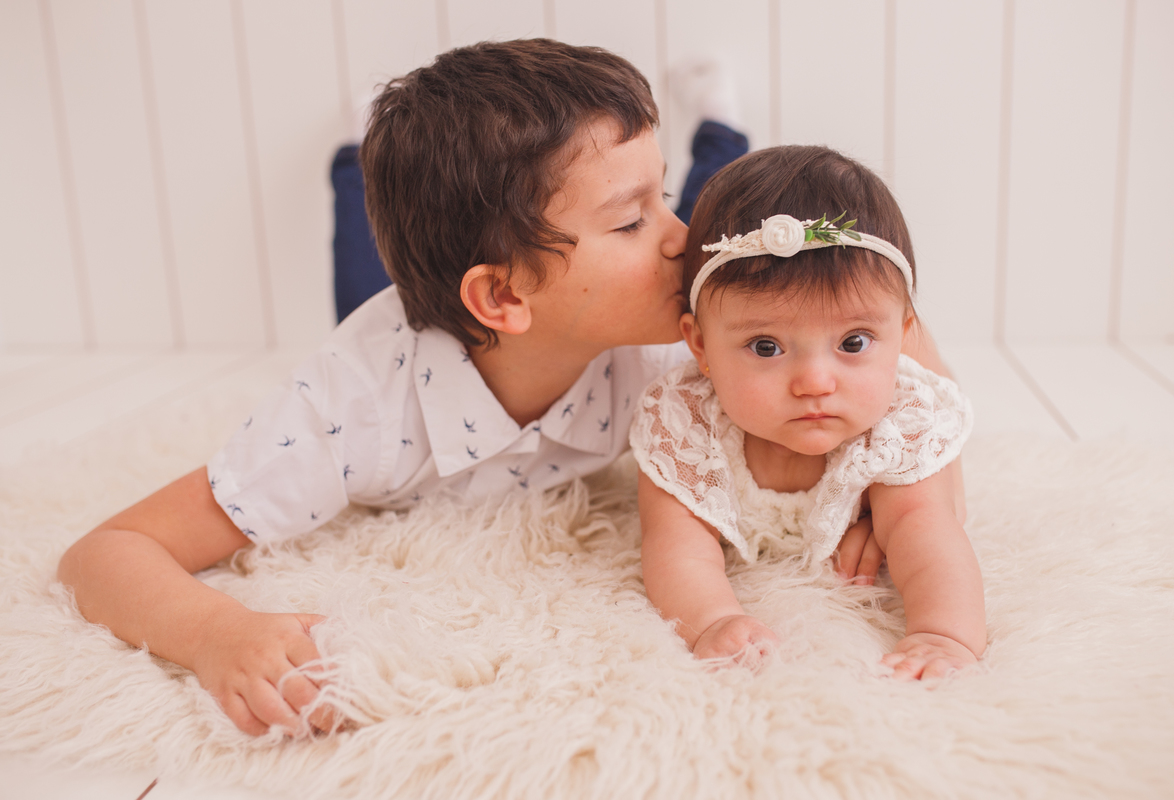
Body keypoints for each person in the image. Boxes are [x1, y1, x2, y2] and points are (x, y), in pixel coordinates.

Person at [55, 41, 958, 738]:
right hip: (411, 336)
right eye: (634, 220)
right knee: (355, 260)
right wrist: (216, 635)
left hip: (483, 302)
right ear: (503, 295)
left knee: (742, 220)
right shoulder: (346, 415)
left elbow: (894, 331)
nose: (682, 241)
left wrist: (887, 483)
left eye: (664, 199)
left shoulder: (673, 328)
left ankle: (717, 121)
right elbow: (106, 552)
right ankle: (351, 155)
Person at [632, 145, 985, 679]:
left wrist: (944, 633)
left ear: (903, 333)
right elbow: (674, 544)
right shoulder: (685, 424)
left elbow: (928, 528)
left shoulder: (895, 421)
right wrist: (711, 619)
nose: (816, 383)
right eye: (767, 347)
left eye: (854, 341)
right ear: (700, 346)